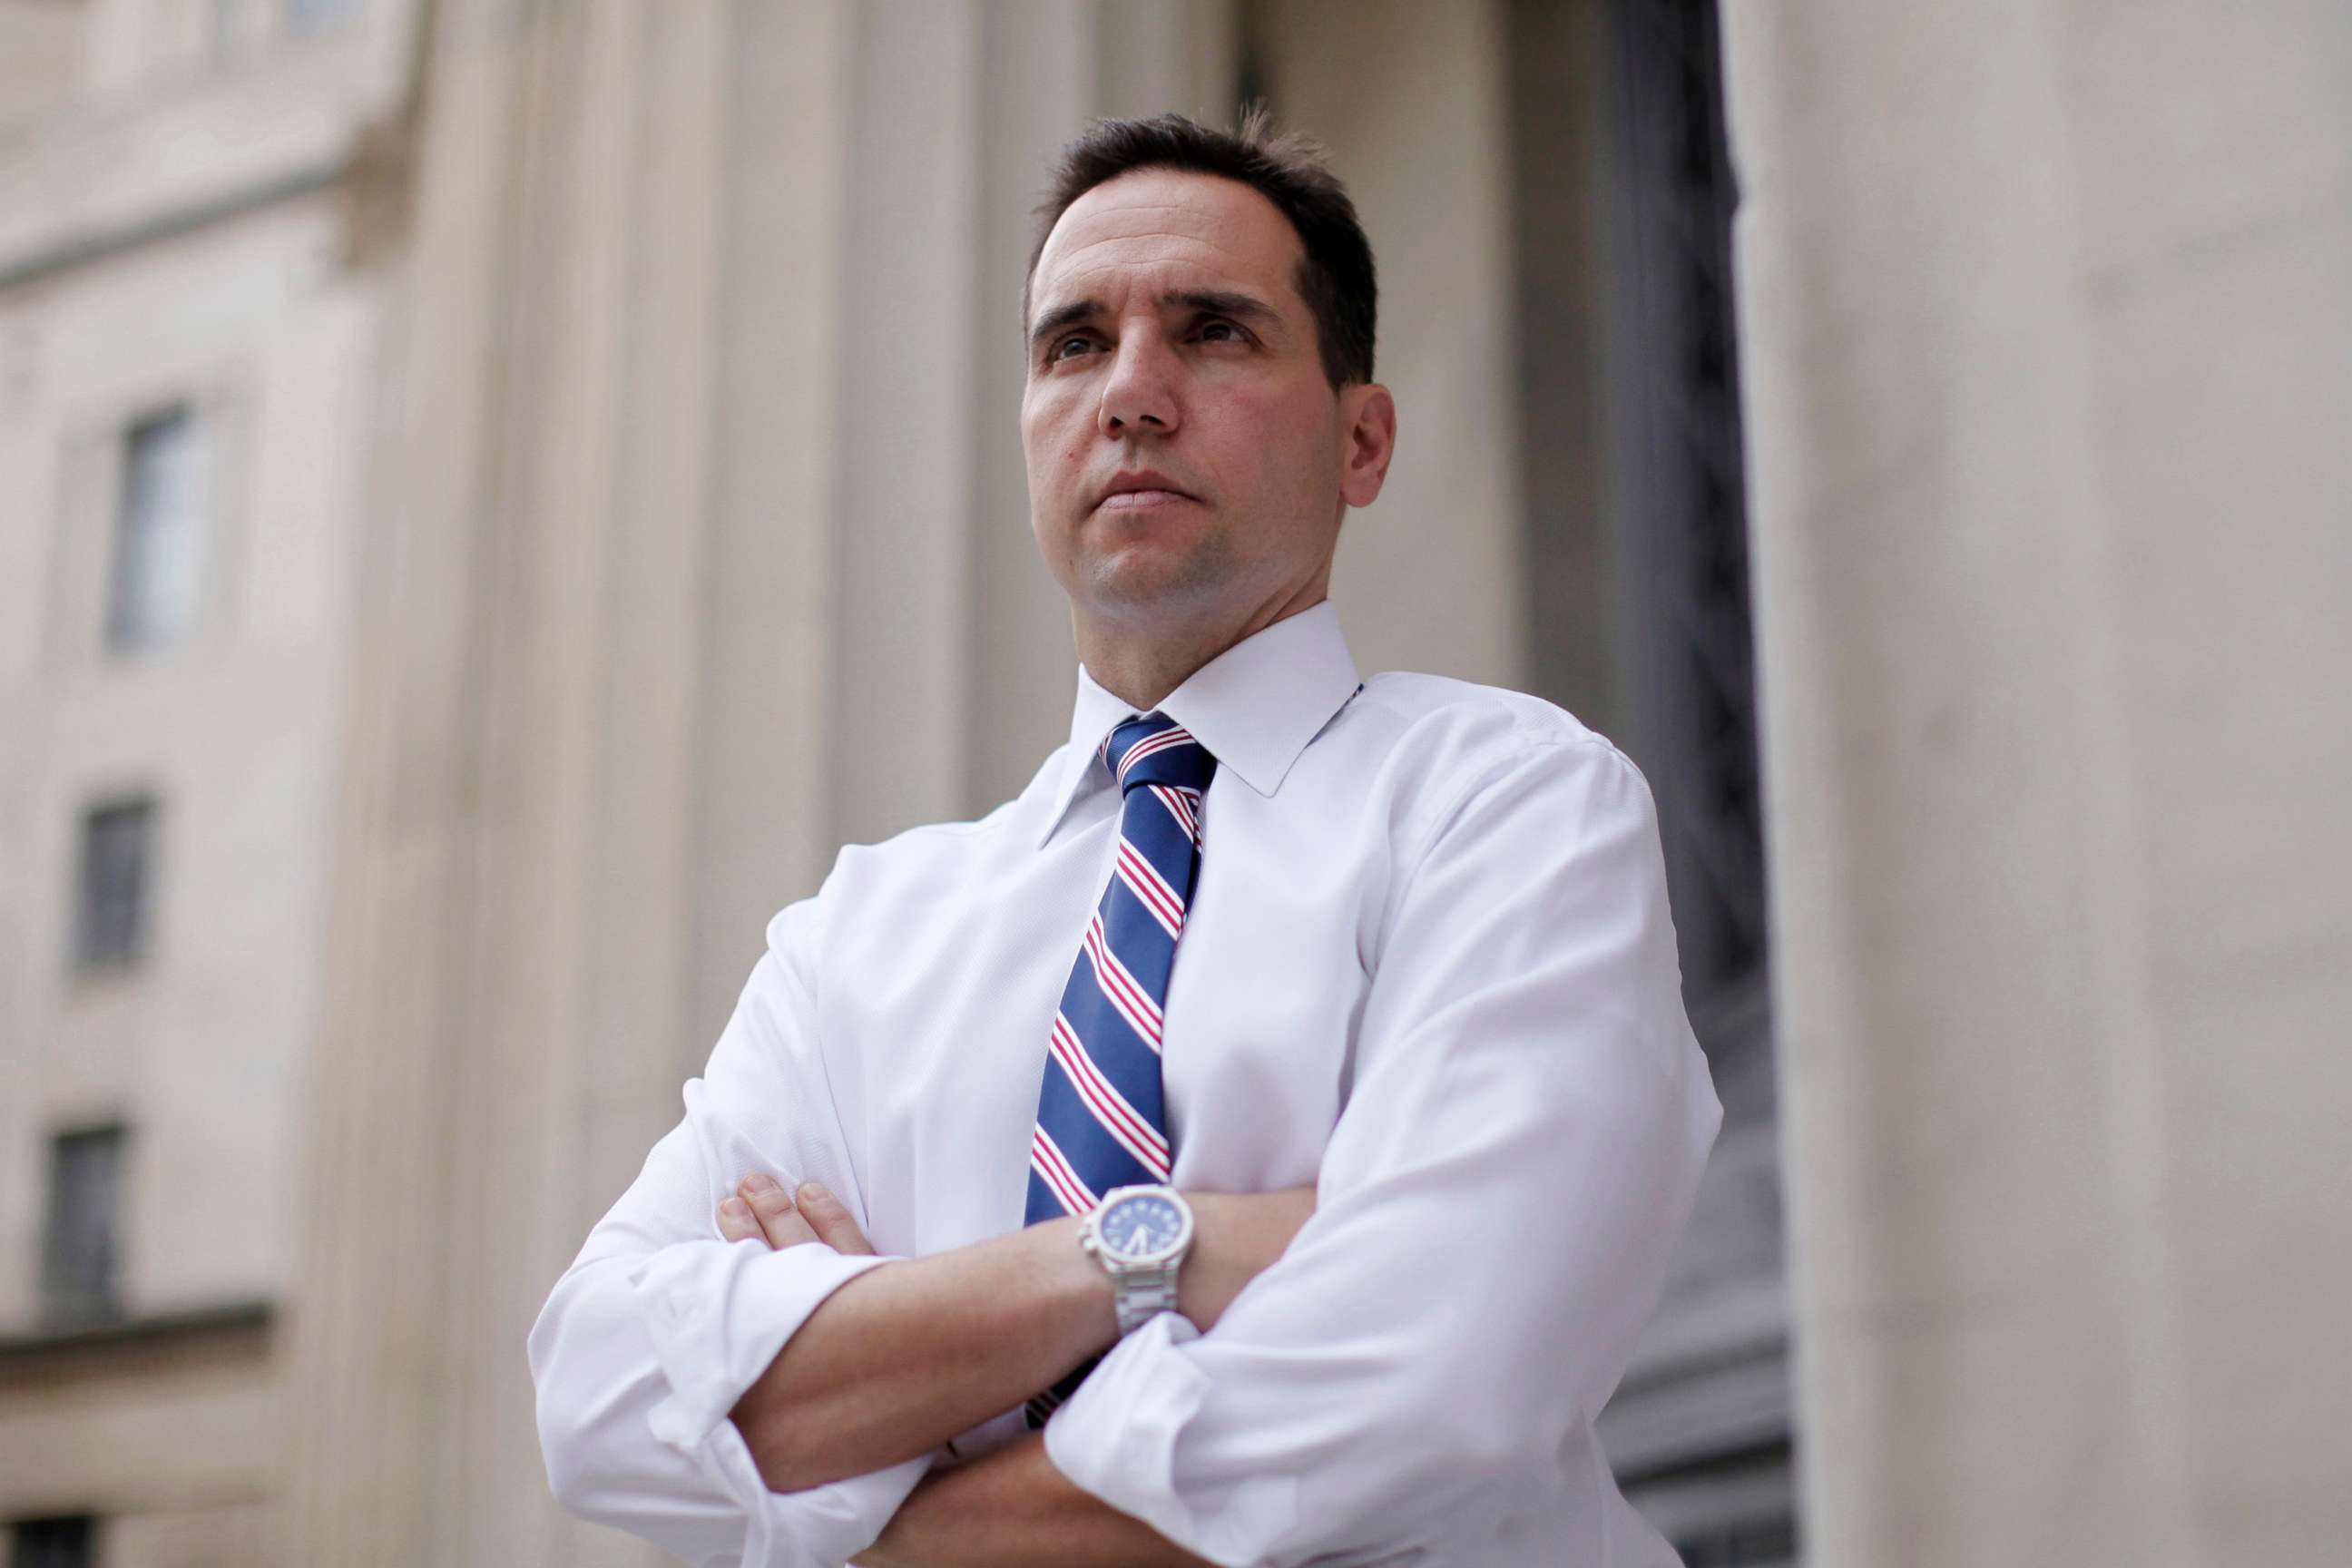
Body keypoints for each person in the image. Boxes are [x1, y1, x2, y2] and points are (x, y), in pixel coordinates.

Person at [530, 110, 1721, 1568]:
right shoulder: (857, 938)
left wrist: (869, 1468)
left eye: (1214, 332)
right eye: (1073, 343)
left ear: (1363, 438)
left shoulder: (1510, 806)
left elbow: (1428, 1391)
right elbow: (597, 1392)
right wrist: (1155, 1252)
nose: (1134, 393)